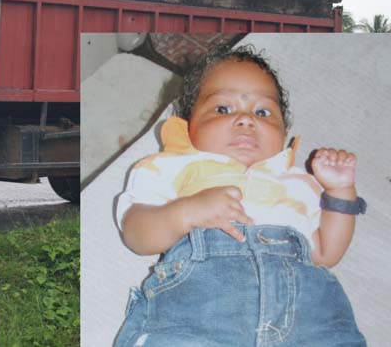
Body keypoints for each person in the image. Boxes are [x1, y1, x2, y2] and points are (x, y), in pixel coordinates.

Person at [114, 46, 367, 346]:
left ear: (283, 131)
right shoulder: (173, 166)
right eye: (223, 109)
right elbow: (136, 232)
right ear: (188, 124)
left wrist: (339, 190)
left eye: (263, 112)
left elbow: (327, 253)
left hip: (309, 320)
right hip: (199, 315)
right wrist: (187, 212)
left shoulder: (299, 181)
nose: (246, 120)